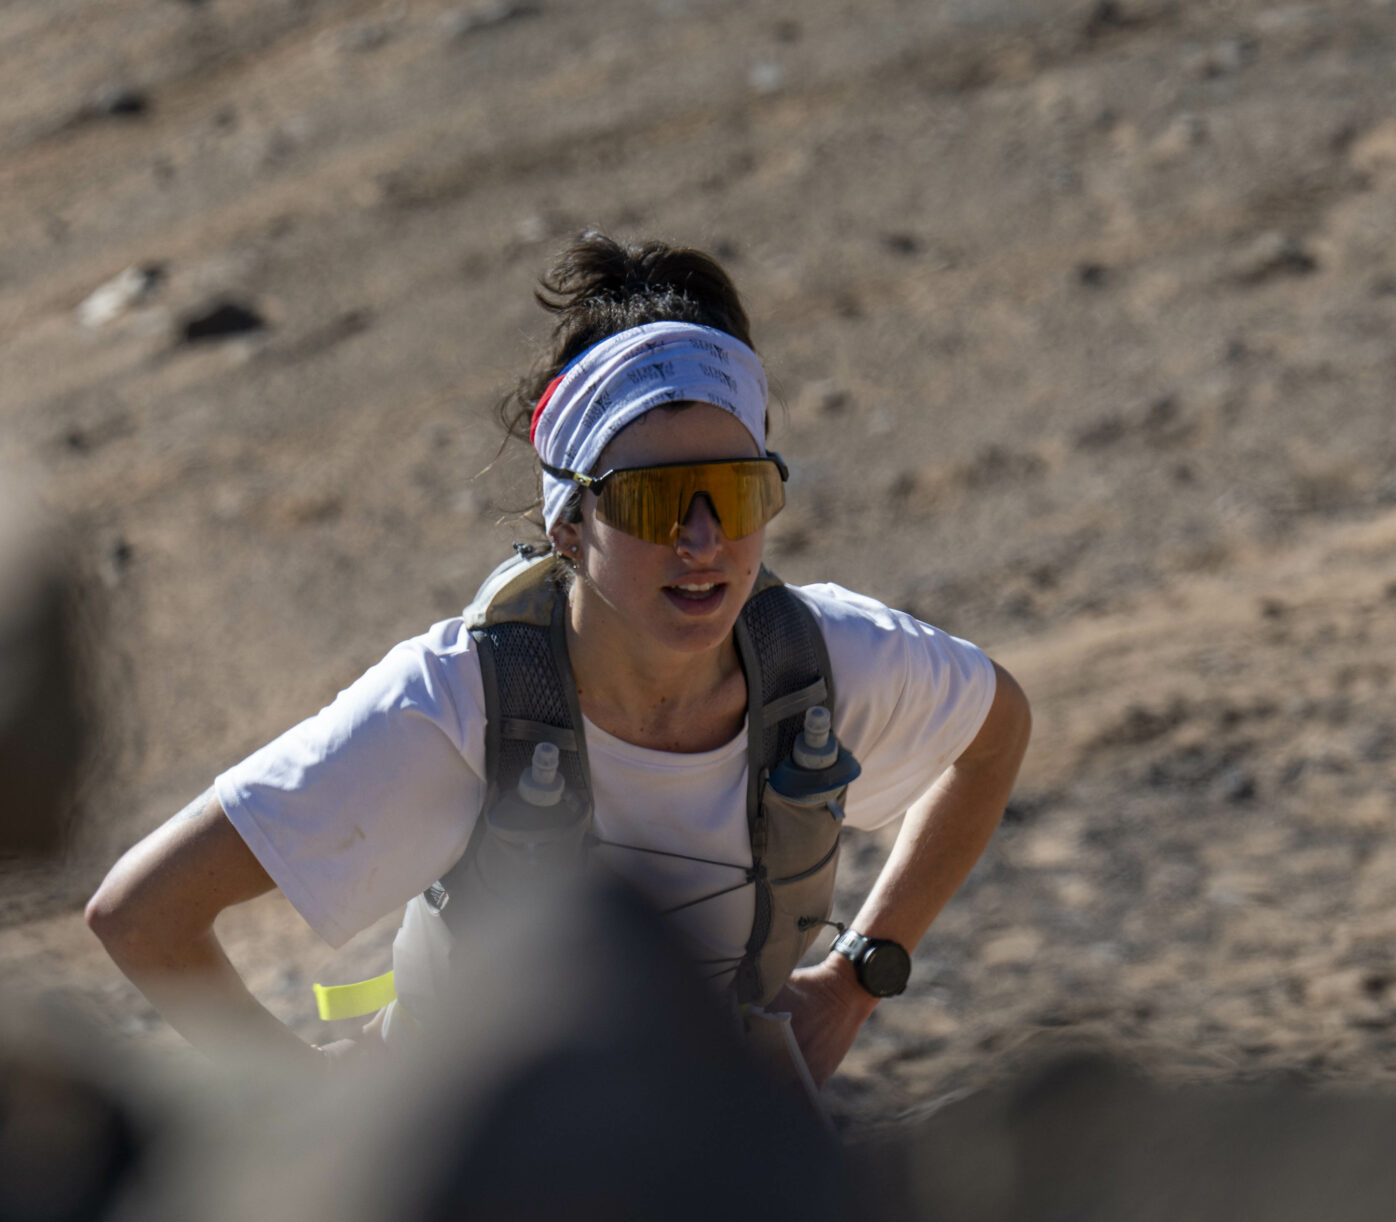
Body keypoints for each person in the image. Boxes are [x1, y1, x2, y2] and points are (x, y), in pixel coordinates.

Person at [85, 233, 1030, 1084]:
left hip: (718, 1148)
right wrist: (305, 1112)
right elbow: (142, 913)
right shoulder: (460, 701)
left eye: (735, 496)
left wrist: (860, 976)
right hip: (486, 1175)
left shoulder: (825, 662)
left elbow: (997, 735)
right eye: (657, 503)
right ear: (570, 526)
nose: (703, 542)